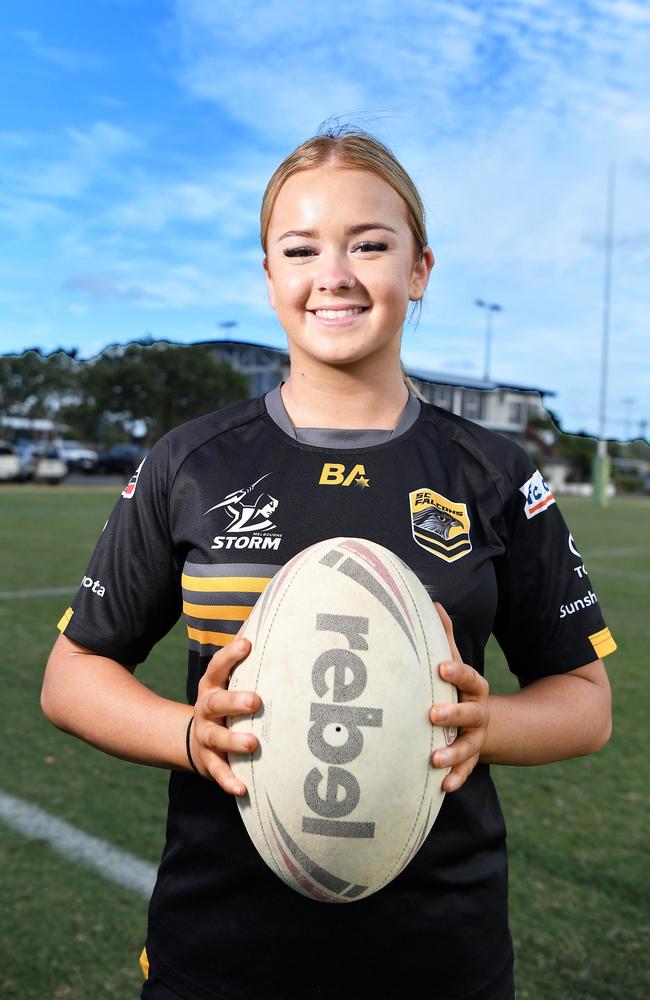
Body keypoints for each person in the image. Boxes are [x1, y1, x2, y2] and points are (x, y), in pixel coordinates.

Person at [41, 129, 615, 1000]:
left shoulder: (493, 473)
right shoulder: (191, 463)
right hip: (220, 948)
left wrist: (484, 724)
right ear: (268, 274)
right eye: (301, 248)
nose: (334, 273)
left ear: (419, 269)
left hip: (439, 952)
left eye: (370, 244)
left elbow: (585, 704)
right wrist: (188, 737)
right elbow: (72, 673)